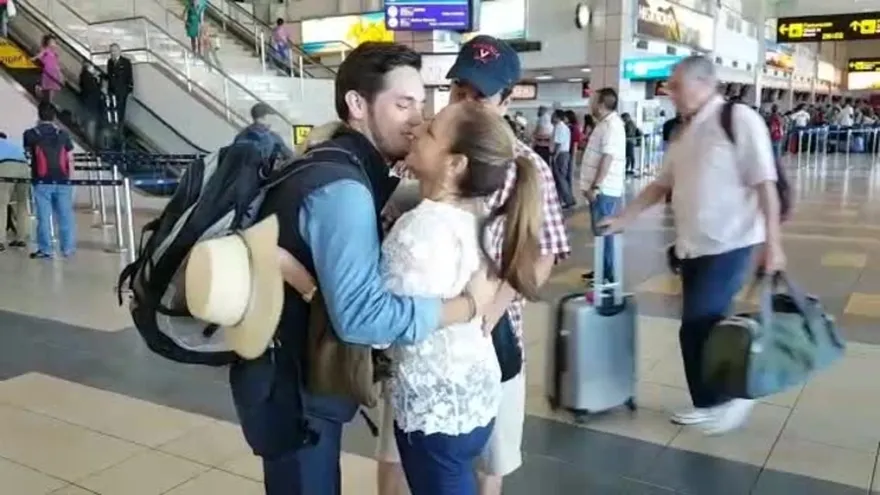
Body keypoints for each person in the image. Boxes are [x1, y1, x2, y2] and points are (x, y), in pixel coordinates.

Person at [231, 41, 499, 495]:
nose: (417, 121)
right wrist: (468, 305)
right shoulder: (344, 188)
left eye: (421, 104)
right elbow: (362, 318)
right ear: (357, 105)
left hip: (290, 373)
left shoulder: (340, 162)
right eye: (402, 104)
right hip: (295, 391)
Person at [376, 35, 570, 495]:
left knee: (487, 463)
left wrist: (488, 312)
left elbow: (545, 253)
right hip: (420, 354)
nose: (464, 102)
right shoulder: (426, 154)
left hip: (490, 343)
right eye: (458, 90)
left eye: (478, 96)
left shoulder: (526, 168)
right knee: (396, 457)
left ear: (506, 99)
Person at [600, 55, 785, 435]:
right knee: (703, 325)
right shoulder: (686, 132)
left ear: (704, 83)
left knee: (698, 324)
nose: (670, 93)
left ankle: (723, 399)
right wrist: (624, 219)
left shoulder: (737, 121)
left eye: (676, 87)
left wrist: (774, 243)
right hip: (693, 246)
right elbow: (659, 185)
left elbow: (765, 183)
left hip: (730, 243)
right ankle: (716, 398)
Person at [580, 88, 626, 284]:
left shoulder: (611, 126)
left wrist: (596, 186)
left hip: (604, 189)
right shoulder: (606, 124)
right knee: (601, 232)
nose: (591, 104)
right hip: (603, 189)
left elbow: (608, 157)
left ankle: (607, 276)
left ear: (601, 104)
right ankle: (601, 269)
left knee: (604, 231)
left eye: (593, 100)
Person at [23, 102, 76, 259]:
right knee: (65, 216)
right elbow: (70, 159)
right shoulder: (63, 134)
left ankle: (45, 250)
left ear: (39, 115)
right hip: (62, 180)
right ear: (54, 116)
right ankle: (67, 249)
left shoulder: (31, 134)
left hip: (41, 180)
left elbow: (28, 154)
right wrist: (70, 179)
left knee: (44, 217)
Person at [0, 131, 30, 250]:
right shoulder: (12, 144)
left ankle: (0, 241)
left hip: (6, 166)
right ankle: (21, 239)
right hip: (24, 168)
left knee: (1, 204)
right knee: (22, 204)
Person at [550, 109, 574, 209]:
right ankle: (559, 200)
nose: (552, 117)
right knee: (559, 178)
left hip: (560, 155)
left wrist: (554, 156)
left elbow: (558, 143)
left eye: (553, 115)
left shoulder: (559, 127)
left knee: (560, 178)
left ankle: (569, 200)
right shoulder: (564, 127)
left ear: (557, 117)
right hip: (564, 154)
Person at [105, 43, 133, 124]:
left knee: (120, 110)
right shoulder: (110, 62)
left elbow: (129, 76)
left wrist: (130, 90)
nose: (113, 53)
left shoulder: (126, 62)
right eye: (111, 51)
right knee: (112, 110)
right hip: (112, 90)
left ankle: (120, 126)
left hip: (122, 91)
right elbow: (109, 75)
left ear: (119, 51)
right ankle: (114, 125)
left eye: (115, 51)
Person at [78, 61, 104, 147]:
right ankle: (91, 143)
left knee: (90, 123)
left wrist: (98, 79)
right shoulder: (86, 76)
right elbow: (93, 89)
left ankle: (90, 141)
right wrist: (96, 78)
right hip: (90, 104)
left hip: (91, 103)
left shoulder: (87, 76)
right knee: (90, 123)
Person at [33, 35, 62, 104]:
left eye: (55, 43)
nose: (54, 45)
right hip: (45, 74)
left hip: (52, 75)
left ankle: (48, 103)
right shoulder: (43, 51)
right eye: (52, 42)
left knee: (50, 91)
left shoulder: (54, 53)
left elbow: (56, 64)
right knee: (46, 90)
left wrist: (59, 75)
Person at [621, 112, 641, 177]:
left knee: (629, 155)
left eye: (623, 118)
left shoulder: (630, 124)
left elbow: (629, 133)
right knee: (629, 155)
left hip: (629, 141)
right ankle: (629, 168)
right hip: (630, 141)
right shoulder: (631, 123)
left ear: (626, 117)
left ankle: (630, 168)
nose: (623, 120)